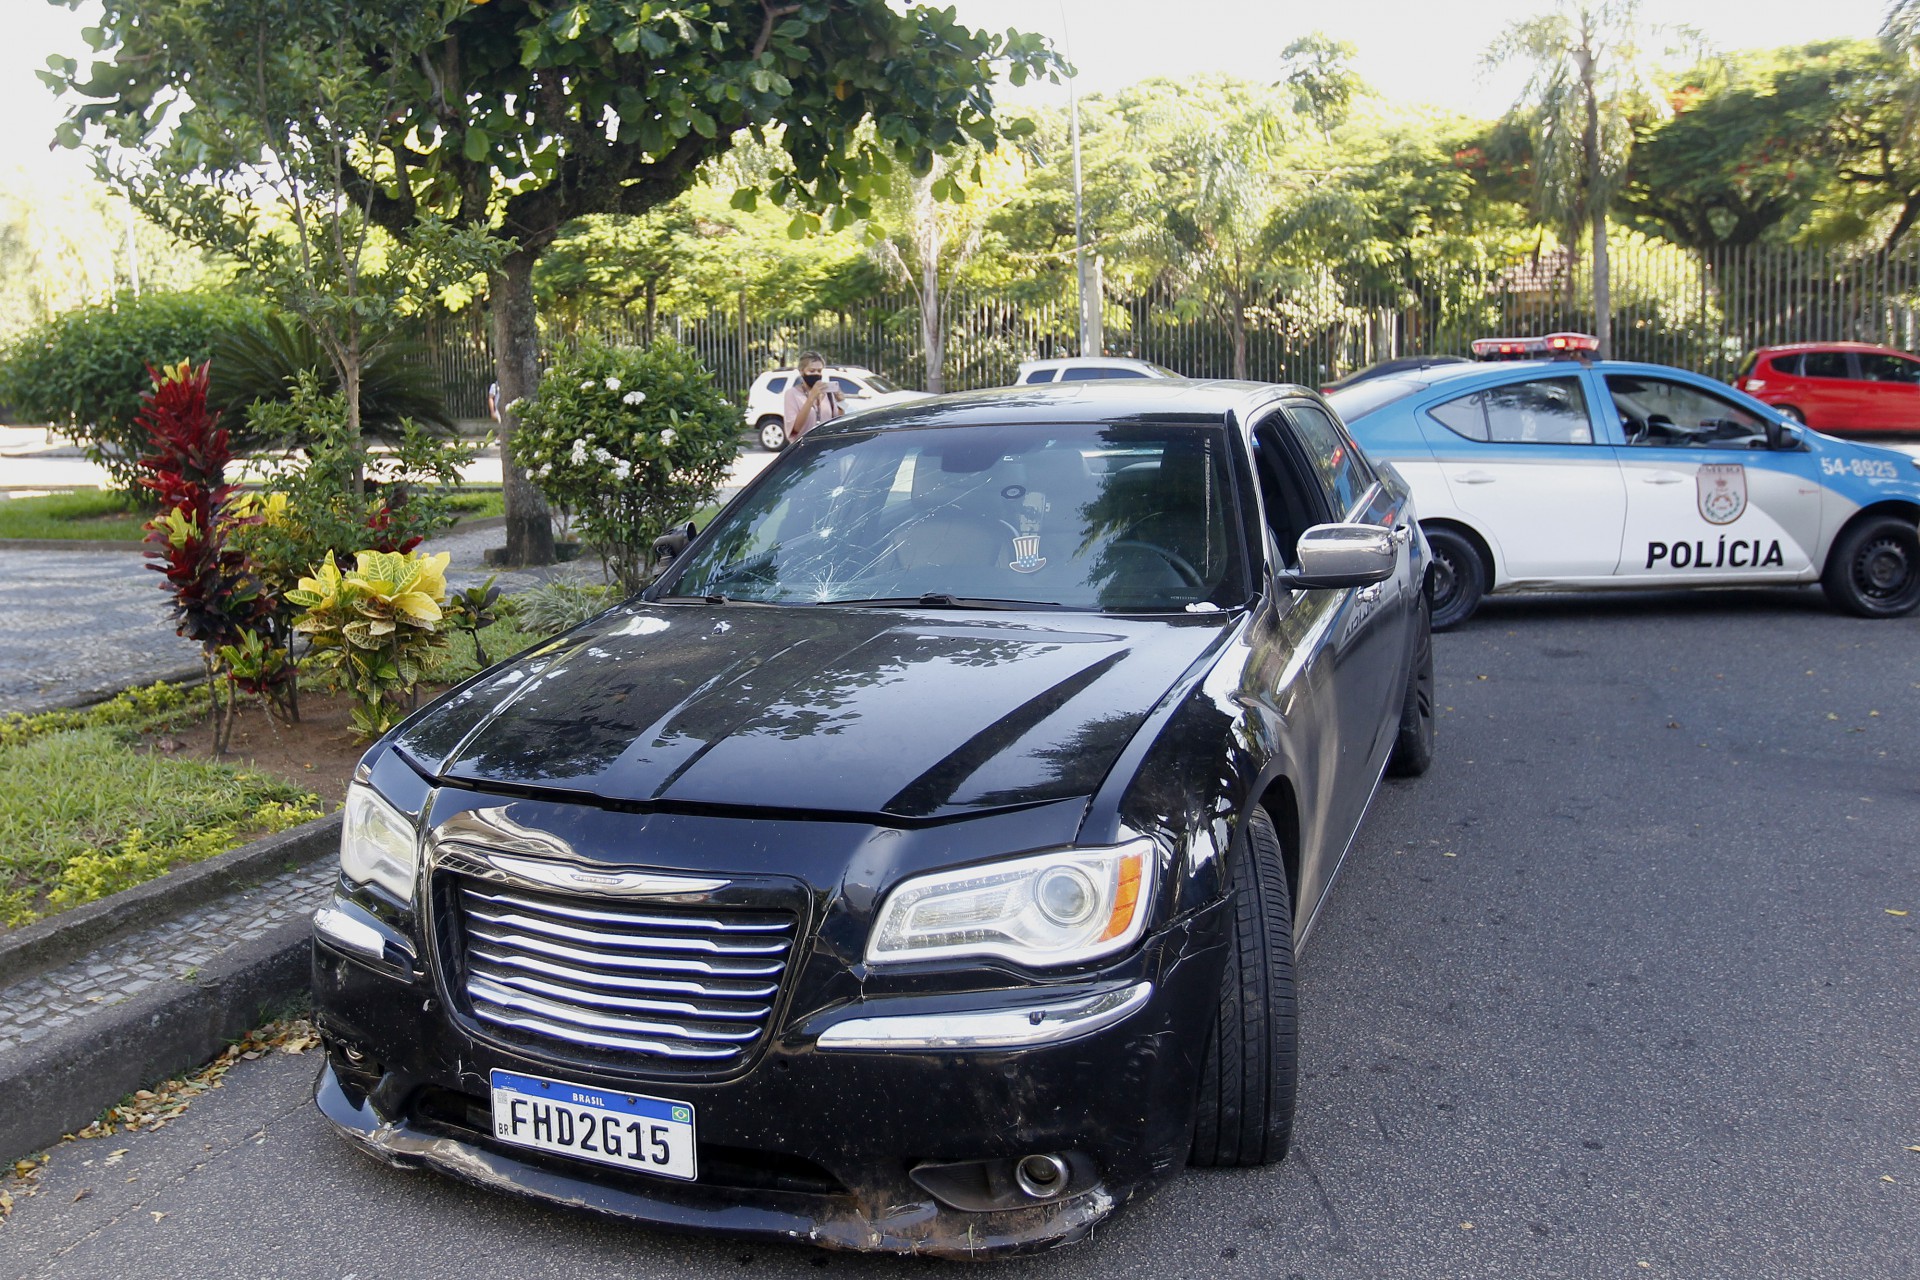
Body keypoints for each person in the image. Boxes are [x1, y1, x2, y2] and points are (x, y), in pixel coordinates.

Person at [783, 352, 844, 444]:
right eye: (812, 371)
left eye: (819, 371)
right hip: (804, 447)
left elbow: (837, 422)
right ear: (801, 371)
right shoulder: (792, 394)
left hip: (826, 445)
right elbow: (795, 429)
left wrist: (841, 403)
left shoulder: (828, 394)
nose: (816, 374)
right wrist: (811, 398)